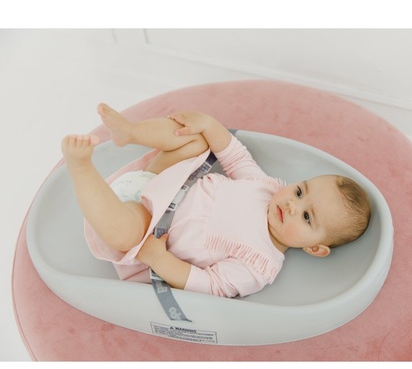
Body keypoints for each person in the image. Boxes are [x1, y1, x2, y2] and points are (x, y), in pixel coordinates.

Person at [61, 104, 371, 298]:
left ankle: (81, 168)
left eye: (306, 217)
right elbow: (235, 156)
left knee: (123, 233)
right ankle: (130, 132)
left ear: (315, 248)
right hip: (160, 178)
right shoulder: (266, 186)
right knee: (197, 141)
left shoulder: (260, 264)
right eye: (300, 192)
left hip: (147, 224)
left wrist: (158, 259)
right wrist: (210, 125)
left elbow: (210, 285)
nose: (292, 205)